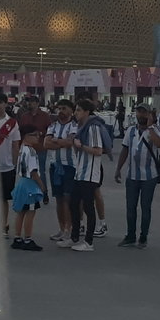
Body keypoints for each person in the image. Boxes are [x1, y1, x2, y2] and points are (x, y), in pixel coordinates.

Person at [115, 103, 160, 248]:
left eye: (144, 113)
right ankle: (130, 235)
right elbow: (125, 150)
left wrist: (150, 127)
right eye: (139, 112)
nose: (141, 115)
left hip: (149, 176)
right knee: (130, 208)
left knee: (145, 207)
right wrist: (118, 169)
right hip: (132, 176)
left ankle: (143, 237)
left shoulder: (156, 130)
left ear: (150, 115)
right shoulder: (130, 131)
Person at [60, 99, 104, 252]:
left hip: (90, 173)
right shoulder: (81, 127)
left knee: (88, 207)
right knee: (73, 204)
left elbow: (98, 150)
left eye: (79, 110)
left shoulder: (93, 128)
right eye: (76, 110)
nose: (76, 113)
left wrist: (81, 146)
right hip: (80, 172)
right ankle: (74, 237)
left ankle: (88, 241)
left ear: (86, 112)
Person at [44, 100, 78, 243]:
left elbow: (70, 143)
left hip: (69, 167)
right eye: (59, 108)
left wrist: (55, 141)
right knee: (58, 198)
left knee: (67, 199)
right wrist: (61, 142)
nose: (60, 111)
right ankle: (61, 228)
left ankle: (69, 230)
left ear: (71, 111)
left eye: (64, 108)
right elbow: (46, 144)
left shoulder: (74, 126)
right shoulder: (53, 126)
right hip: (55, 166)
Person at [10, 125, 46, 251]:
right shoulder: (31, 151)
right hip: (30, 184)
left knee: (21, 212)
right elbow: (33, 171)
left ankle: (17, 237)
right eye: (35, 135)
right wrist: (42, 185)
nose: (38, 137)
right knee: (31, 212)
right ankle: (28, 238)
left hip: (21, 182)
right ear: (26, 136)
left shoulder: (22, 148)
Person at [0, 93, 21, 238]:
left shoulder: (12, 124)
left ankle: (4, 225)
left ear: (5, 104)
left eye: (0, 102)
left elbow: (15, 145)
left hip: (7, 166)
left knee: (3, 198)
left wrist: (16, 165)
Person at [17, 95, 53, 205]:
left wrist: (43, 135)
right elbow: (20, 132)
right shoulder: (24, 117)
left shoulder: (44, 116)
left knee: (40, 171)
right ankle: (30, 192)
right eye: (28, 102)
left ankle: (44, 192)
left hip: (40, 147)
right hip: (27, 148)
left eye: (32, 102)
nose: (29, 104)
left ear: (37, 103)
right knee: (27, 172)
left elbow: (50, 130)